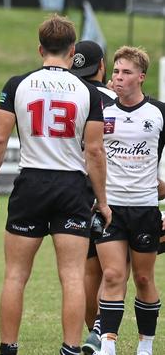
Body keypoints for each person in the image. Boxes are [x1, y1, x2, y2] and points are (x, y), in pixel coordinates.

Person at [0, 14, 110, 355]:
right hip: (71, 186)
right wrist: (103, 200)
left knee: (16, 275)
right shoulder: (87, 91)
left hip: (31, 182)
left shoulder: (17, 84)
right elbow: (94, 151)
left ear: (40, 49)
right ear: (72, 51)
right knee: (71, 275)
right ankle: (69, 347)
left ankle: (8, 348)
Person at [93, 46, 163, 355]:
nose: (118, 78)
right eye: (116, 71)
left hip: (146, 208)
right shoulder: (102, 111)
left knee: (144, 277)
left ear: (141, 77)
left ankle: (145, 345)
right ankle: (108, 344)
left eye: (126, 73)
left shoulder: (159, 112)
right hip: (110, 208)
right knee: (112, 274)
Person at [69, 40, 118, 355]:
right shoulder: (114, 98)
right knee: (112, 270)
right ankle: (102, 332)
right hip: (112, 192)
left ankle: (94, 333)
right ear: (102, 66)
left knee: (86, 269)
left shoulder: (67, 94)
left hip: (72, 192)